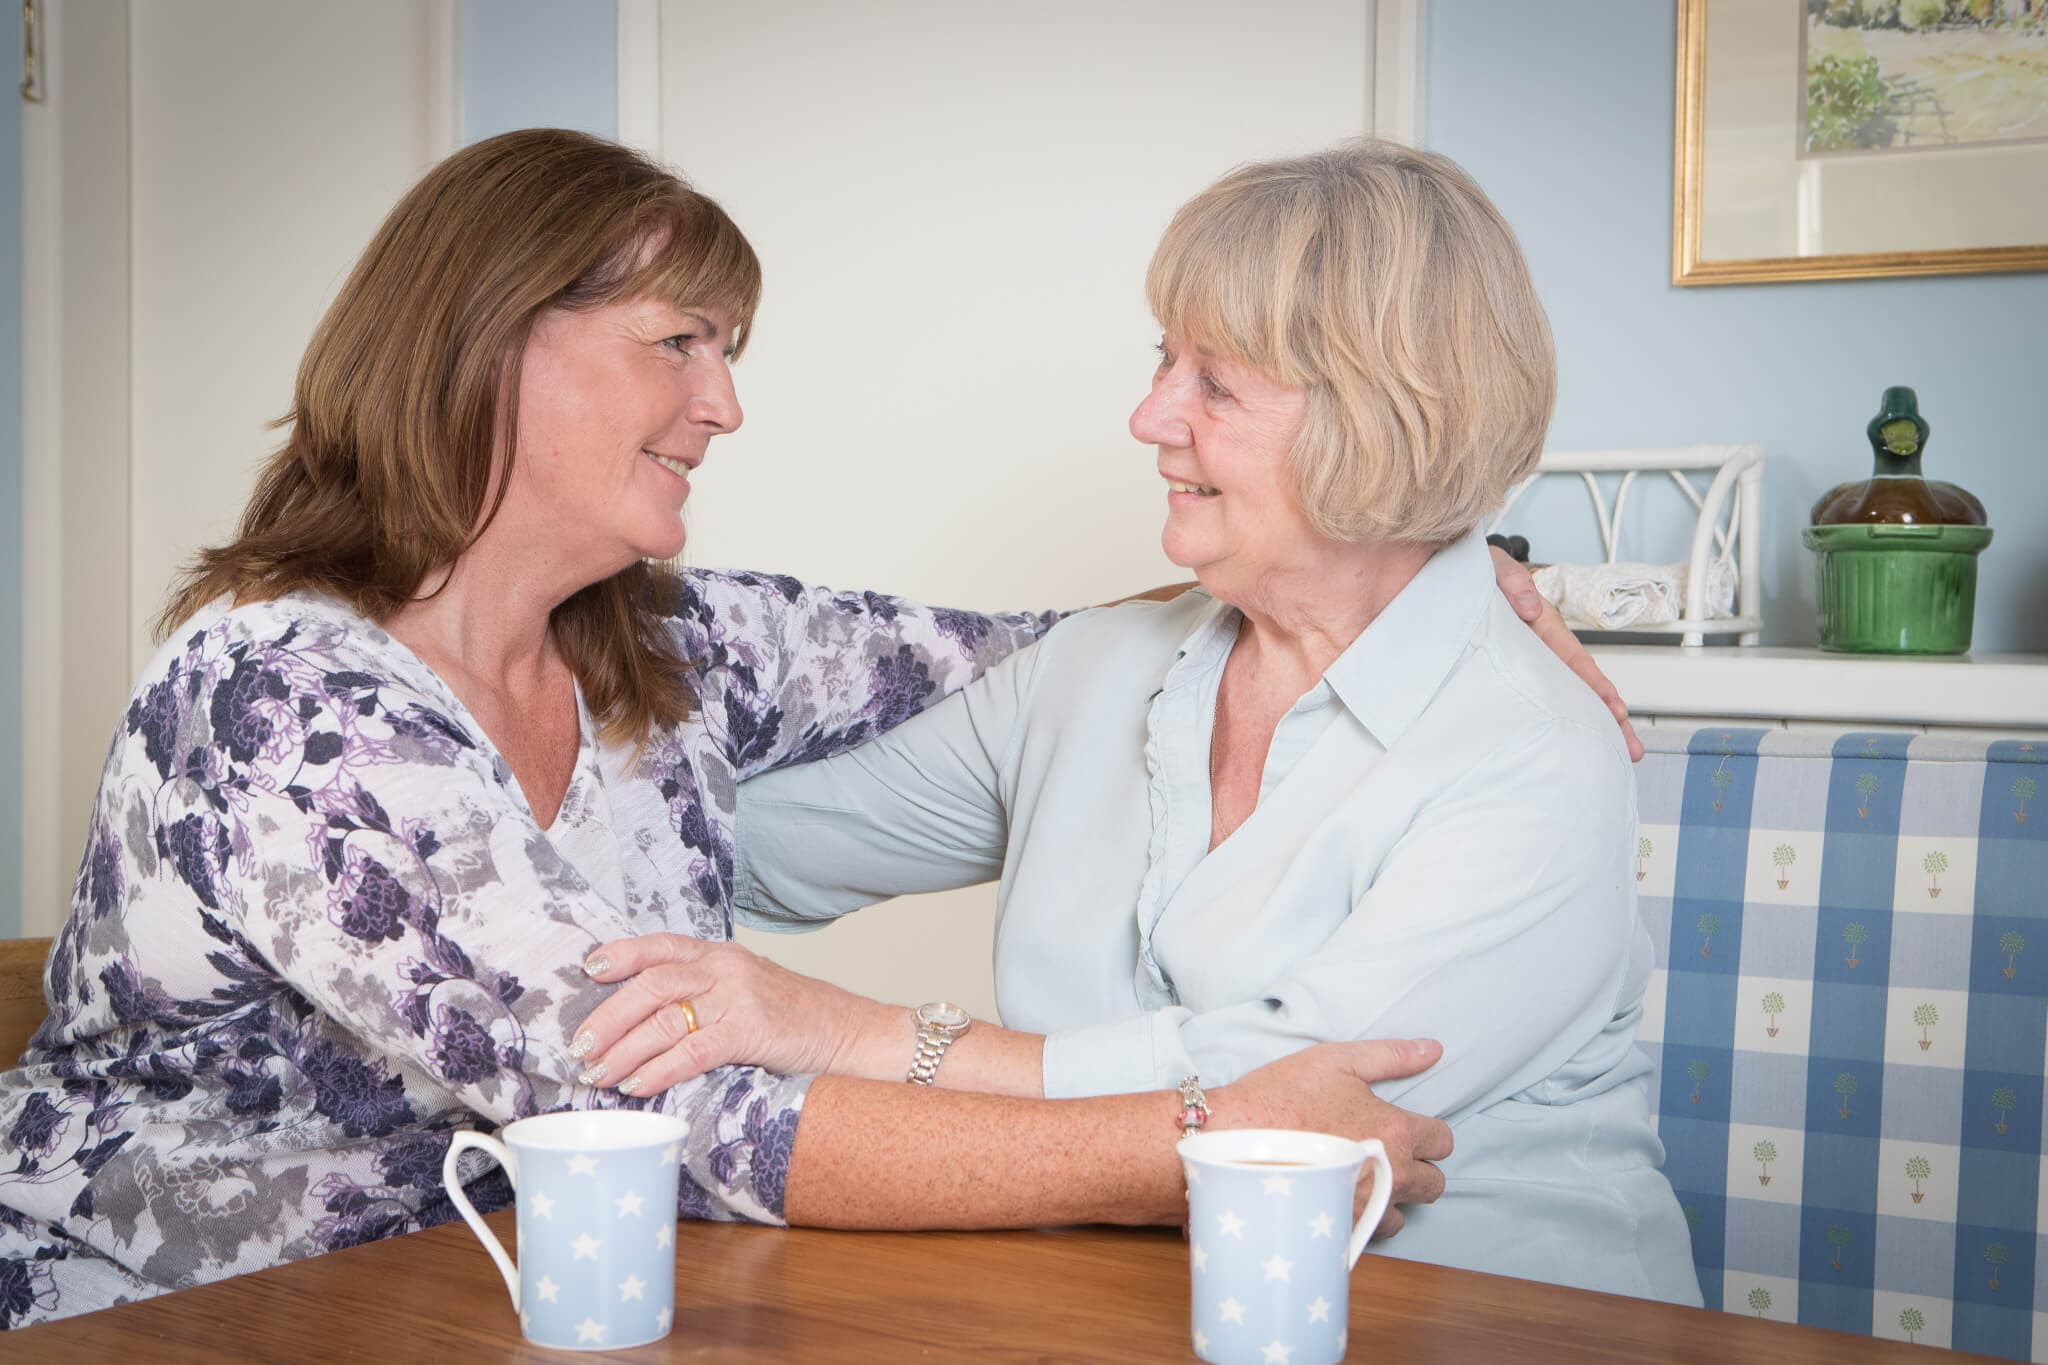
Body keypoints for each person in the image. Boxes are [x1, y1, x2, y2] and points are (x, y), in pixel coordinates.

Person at [0, 128, 1652, 1327]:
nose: (724, 402)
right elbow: (675, 1112)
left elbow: (1030, 656)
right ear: (489, 348)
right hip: (191, 1312)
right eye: (680, 344)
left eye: (727, 350)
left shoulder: (666, 649)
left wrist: (1437, 563)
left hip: (505, 1297)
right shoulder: (284, 698)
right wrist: (1185, 1143)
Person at [568, 140, 1703, 1306]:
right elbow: (732, 842)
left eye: (1216, 384)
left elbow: (1288, 1106)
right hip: (1134, 1311)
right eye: (1165, 360)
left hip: (1498, 1321)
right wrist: (500, 686)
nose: (1148, 415)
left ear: (1383, 417)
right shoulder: (1099, 671)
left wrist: (851, 1033)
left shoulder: (1528, 750)